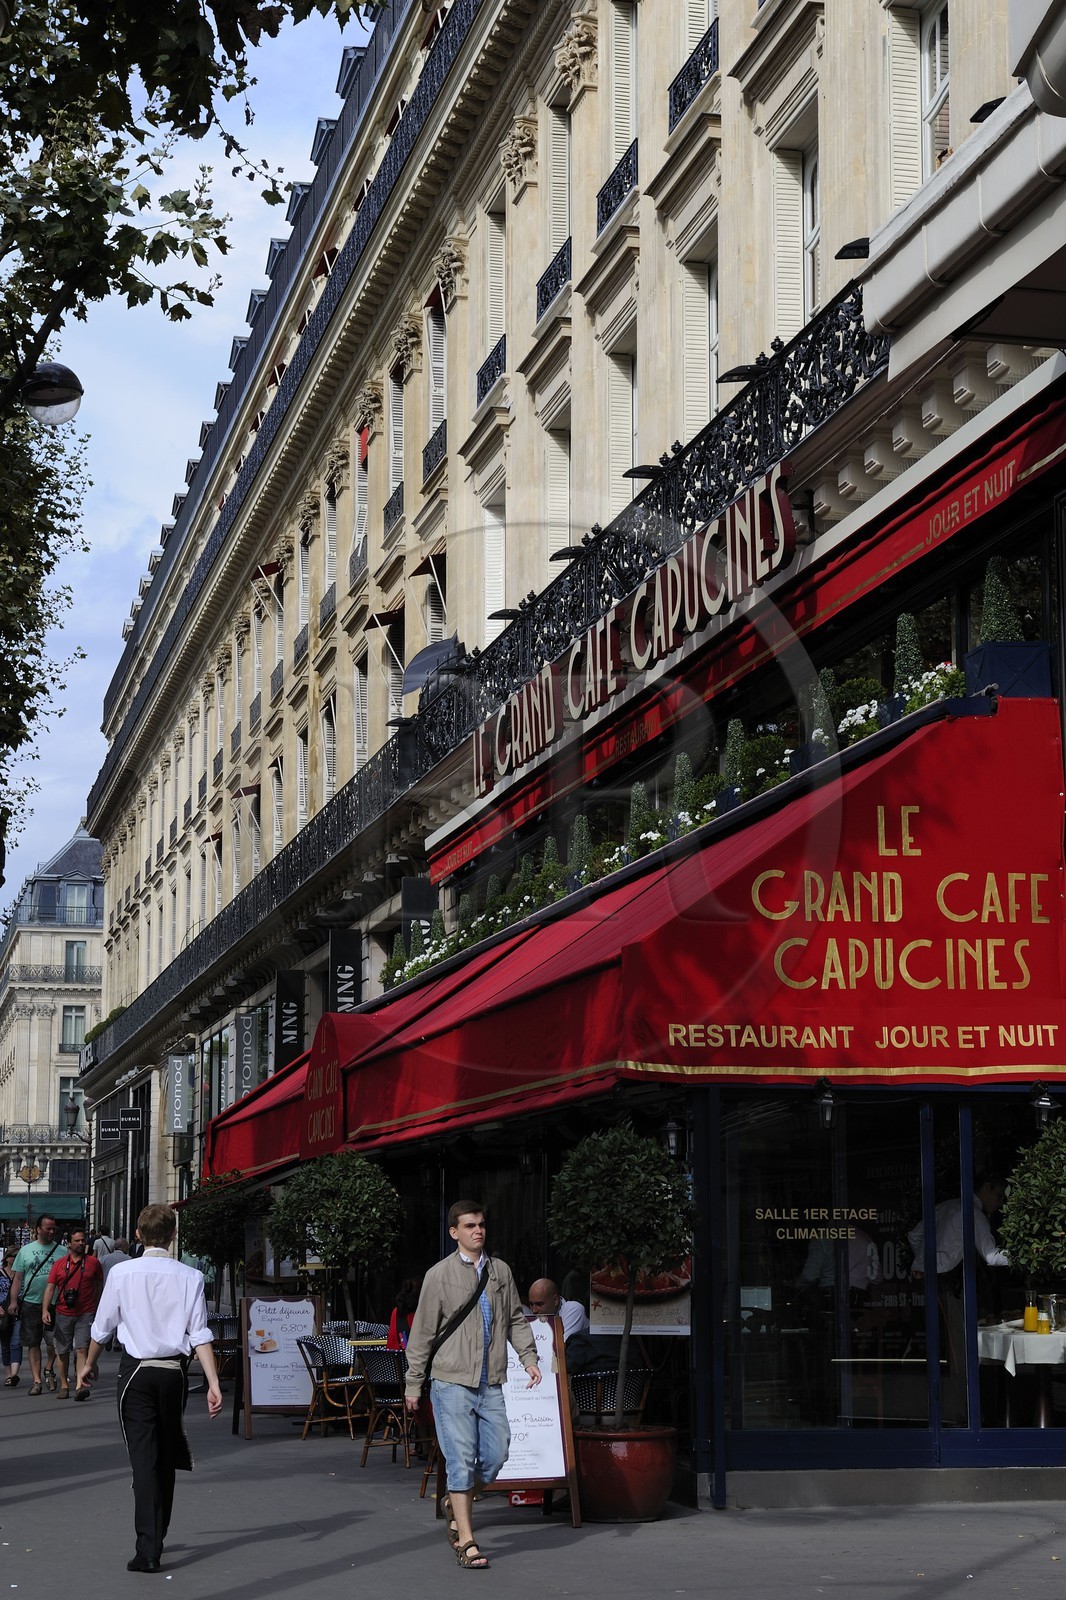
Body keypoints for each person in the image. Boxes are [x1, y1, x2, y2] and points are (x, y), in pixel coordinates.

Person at [83, 1203, 222, 1574]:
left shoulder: (122, 1273)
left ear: (138, 1235)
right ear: (173, 1235)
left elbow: (103, 1326)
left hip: (136, 1373)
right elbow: (200, 1333)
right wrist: (213, 1382)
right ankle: (157, 1535)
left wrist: (88, 1364)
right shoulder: (191, 1277)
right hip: (173, 1373)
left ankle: (148, 1547)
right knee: (166, 1452)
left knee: (143, 1458)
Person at [404, 1200, 541, 1570]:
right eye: (469, 1226)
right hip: (451, 1382)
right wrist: (413, 1384)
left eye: (480, 1225)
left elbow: (515, 1318)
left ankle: (455, 1499)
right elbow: (422, 1334)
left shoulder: (500, 1271)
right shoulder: (438, 1275)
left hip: (490, 1381)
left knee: (497, 1454)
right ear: (454, 1232)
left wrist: (529, 1358)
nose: (477, 1231)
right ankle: (466, 1539)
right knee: (461, 1459)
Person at [7, 1215, 67, 1395]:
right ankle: (37, 1381)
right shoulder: (26, 1251)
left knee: (54, 1342)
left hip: (54, 1303)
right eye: (48, 1228)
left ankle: (48, 1367)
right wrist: (13, 1301)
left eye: (54, 1228)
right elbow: (18, 1279)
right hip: (31, 1303)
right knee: (33, 1342)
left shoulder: (62, 1251)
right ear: (38, 1229)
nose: (52, 1231)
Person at [43, 1226, 103, 1398]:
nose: (81, 1243)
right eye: (76, 1241)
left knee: (82, 1349)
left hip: (86, 1313)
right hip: (63, 1313)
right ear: (69, 1243)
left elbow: (99, 1284)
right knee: (62, 1352)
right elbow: (50, 1288)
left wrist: (97, 1305)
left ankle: (79, 1385)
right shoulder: (60, 1264)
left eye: (83, 1240)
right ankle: (64, 1384)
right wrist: (45, 1309)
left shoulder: (93, 1263)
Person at [0, 1251, 22, 1385]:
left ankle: (14, 1374)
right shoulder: (0, 1273)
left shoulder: (22, 1273)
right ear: (7, 1258)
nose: (16, 1258)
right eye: (14, 1256)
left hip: (19, 1311)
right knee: (5, 1344)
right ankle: (8, 1375)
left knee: (16, 1342)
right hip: (3, 1313)